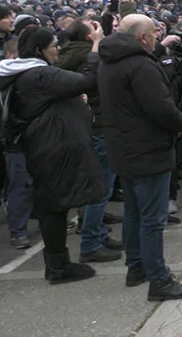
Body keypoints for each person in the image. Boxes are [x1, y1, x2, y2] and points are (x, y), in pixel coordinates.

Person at [98, 14, 182, 301]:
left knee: (134, 212)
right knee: (152, 219)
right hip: (147, 150)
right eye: (154, 32)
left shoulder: (109, 60)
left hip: (124, 148)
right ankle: (159, 280)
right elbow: (161, 107)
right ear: (143, 37)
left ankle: (137, 267)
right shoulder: (141, 65)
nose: (157, 36)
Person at [0, 26, 106, 285]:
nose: (58, 49)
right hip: (50, 149)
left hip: (45, 146)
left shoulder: (25, 72)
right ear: (39, 50)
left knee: (54, 206)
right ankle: (58, 268)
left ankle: (58, 264)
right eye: (54, 45)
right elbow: (87, 80)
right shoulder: (38, 74)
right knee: (54, 207)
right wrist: (96, 47)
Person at [57, 19, 125, 262]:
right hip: (99, 125)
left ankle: (96, 233)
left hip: (86, 124)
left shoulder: (66, 54)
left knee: (95, 184)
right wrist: (98, 42)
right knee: (101, 187)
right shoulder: (89, 56)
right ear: (88, 37)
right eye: (92, 27)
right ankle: (90, 244)